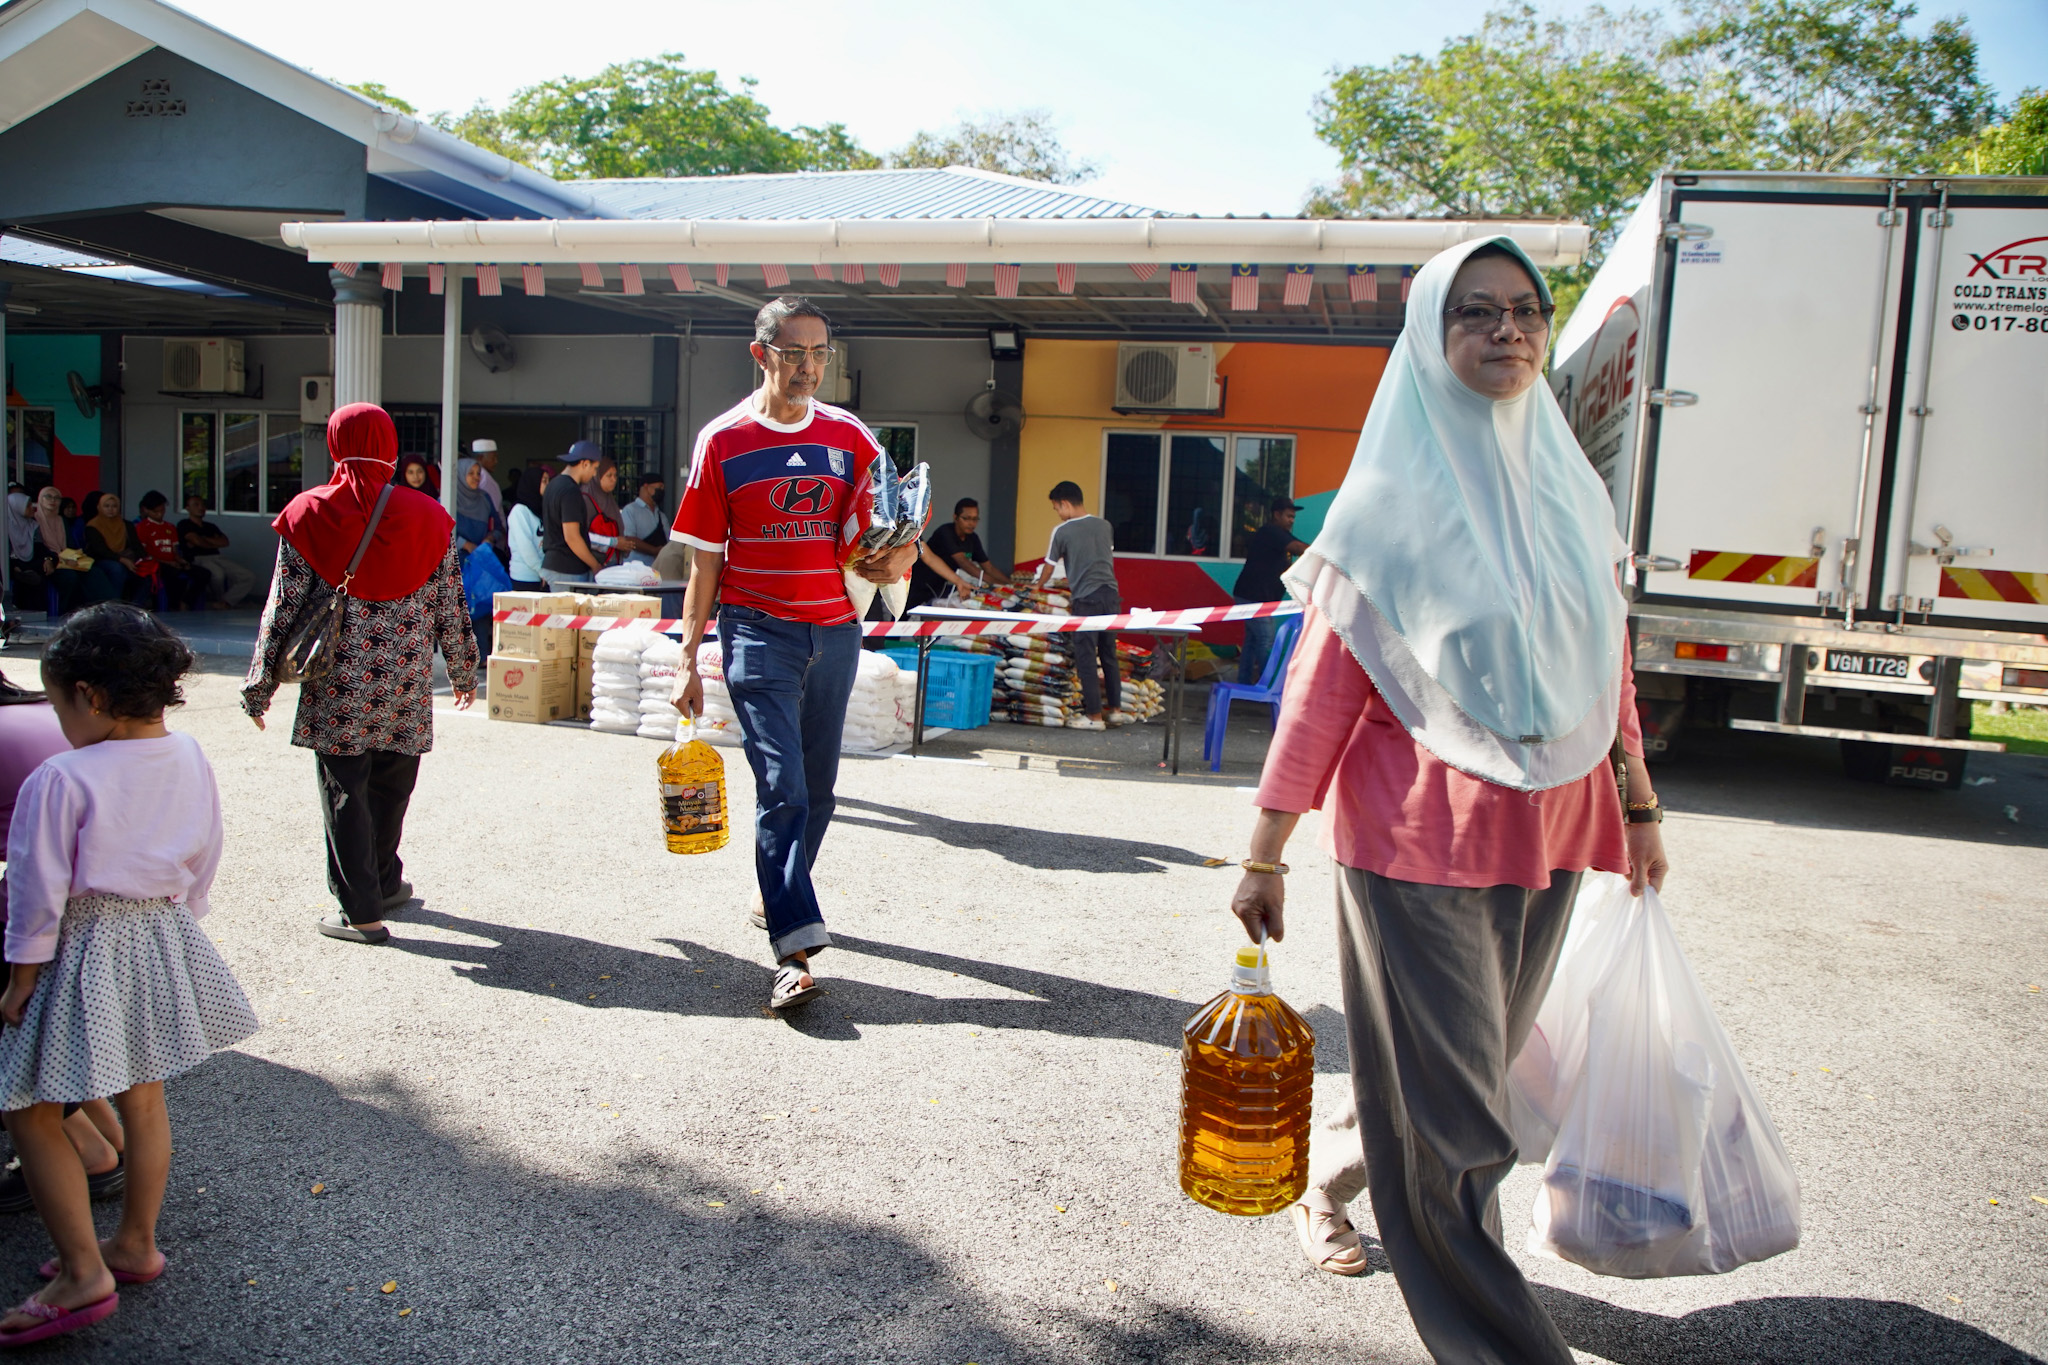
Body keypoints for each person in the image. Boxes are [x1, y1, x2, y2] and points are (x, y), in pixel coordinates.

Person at [1230, 237, 1669, 1365]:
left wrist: (1638, 807)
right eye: (1474, 313)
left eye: (1523, 310)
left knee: (1452, 1086)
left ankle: (1325, 1185)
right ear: (1431, 336)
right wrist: (1266, 851)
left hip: (1556, 830)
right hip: (1416, 842)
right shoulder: (1381, 511)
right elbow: (1319, 700)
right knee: (1460, 1125)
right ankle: (1497, 1345)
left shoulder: (1567, 493)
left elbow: (1604, 669)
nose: (1506, 331)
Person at [0, 604, 257, 1347]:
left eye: (58, 706)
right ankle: (136, 1242)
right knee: (143, 1096)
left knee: (30, 1107)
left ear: (93, 696)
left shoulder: (62, 776)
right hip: (159, 931)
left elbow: (35, 889)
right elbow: (206, 848)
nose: (59, 723)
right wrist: (185, 914)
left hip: (80, 942)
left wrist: (21, 978)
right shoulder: (187, 754)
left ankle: (83, 1271)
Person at [667, 296, 918, 1012]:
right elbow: (703, 565)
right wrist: (689, 655)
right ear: (761, 354)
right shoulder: (722, 442)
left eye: (819, 354)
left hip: (835, 631)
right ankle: (794, 952)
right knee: (784, 788)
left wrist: (896, 555)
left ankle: (777, 891)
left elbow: (900, 527)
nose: (808, 367)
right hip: (755, 632)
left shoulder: (850, 435)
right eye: (793, 352)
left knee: (820, 790)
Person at [244, 402, 479, 945]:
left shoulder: (309, 513)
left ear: (333, 443)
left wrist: (260, 688)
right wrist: (464, 670)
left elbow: (283, 607)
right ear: (390, 447)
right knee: (394, 783)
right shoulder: (428, 515)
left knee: (345, 786)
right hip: (406, 675)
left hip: (339, 679)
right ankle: (385, 882)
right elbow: (450, 601)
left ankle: (362, 913)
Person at [0, 667, 128, 1220]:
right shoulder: (34, 717)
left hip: (46, 925)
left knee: (20, 1043)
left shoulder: (54, 766)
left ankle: (88, 1149)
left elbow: (35, 885)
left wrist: (20, 977)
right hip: (103, 924)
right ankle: (100, 1132)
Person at [1037, 482, 1125, 730]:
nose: (1058, 513)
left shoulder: (1062, 531)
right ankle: (1115, 710)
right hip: (1111, 596)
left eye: (1056, 508)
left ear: (1064, 503)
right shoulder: (1105, 526)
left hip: (1086, 600)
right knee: (1109, 654)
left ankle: (1094, 717)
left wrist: (1037, 587)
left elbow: (1049, 566)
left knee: (1086, 657)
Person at [1232, 498, 1308, 683]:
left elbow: (1297, 546)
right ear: (1277, 515)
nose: (1292, 520)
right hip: (1253, 597)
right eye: (1289, 516)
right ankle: (1268, 685)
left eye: (1293, 517)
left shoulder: (1280, 534)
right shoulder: (1270, 532)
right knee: (1266, 640)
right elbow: (1299, 548)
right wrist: (1325, 554)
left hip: (1256, 597)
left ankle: (1245, 683)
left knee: (1252, 641)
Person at [907, 497, 1010, 610]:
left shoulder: (972, 538)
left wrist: (1010, 584)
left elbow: (988, 567)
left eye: (975, 519)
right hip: (919, 583)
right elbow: (962, 562)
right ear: (955, 517)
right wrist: (995, 583)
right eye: (967, 518)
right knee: (904, 618)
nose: (971, 523)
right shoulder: (945, 532)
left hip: (941, 585)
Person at [539, 442, 604, 587]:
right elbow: (572, 537)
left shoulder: (552, 485)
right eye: (595, 468)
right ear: (585, 464)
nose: (594, 474)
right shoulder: (570, 490)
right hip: (567, 571)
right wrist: (595, 565)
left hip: (553, 566)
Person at [177, 496, 257, 608]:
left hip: (217, 557)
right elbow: (196, 540)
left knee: (248, 576)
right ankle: (218, 600)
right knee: (218, 575)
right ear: (187, 508)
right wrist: (212, 541)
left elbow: (224, 542)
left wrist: (203, 539)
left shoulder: (211, 526)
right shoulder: (184, 524)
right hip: (198, 559)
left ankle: (225, 602)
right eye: (196, 504)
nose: (200, 508)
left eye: (202, 505)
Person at [79, 493, 153, 606]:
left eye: (114, 506)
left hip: (126, 558)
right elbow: (100, 550)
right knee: (117, 569)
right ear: (99, 507)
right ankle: (115, 605)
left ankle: (135, 606)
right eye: (106, 506)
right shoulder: (93, 526)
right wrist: (121, 559)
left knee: (147, 572)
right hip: (101, 560)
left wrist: (145, 559)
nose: (110, 509)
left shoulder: (126, 525)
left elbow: (136, 546)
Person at [130, 492, 199, 610]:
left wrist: (181, 561)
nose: (159, 514)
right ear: (146, 510)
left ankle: (185, 602)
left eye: (162, 511)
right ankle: (172, 608)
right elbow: (144, 554)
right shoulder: (141, 527)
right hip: (154, 563)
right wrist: (169, 563)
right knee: (173, 575)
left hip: (173, 562)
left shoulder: (170, 527)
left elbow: (175, 551)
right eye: (155, 512)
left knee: (202, 573)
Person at [506, 466, 549, 592]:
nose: (548, 485)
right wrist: (542, 571)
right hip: (524, 577)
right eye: (544, 481)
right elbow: (526, 547)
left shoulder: (540, 509)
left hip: (542, 575)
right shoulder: (519, 511)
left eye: (548, 481)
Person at [454, 458, 505, 557]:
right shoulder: (448, 499)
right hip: (454, 562)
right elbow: (439, 531)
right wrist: (465, 544)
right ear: (460, 474)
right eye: (471, 473)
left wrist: (490, 538)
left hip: (480, 560)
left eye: (478, 473)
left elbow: (498, 527)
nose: (476, 477)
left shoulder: (484, 498)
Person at [617, 472, 667, 568]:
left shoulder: (662, 516)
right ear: (646, 486)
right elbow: (629, 539)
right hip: (635, 569)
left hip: (657, 570)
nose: (661, 491)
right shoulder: (630, 510)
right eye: (659, 487)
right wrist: (654, 550)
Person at [583, 457, 625, 568]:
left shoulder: (609, 500)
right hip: (593, 563)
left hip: (612, 560)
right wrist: (614, 542)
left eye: (615, 475)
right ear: (598, 476)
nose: (613, 480)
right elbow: (582, 535)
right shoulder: (586, 498)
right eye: (609, 475)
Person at [470, 438, 504, 518]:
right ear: (480, 458)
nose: (496, 461)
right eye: (493, 458)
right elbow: (493, 511)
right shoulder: (485, 478)